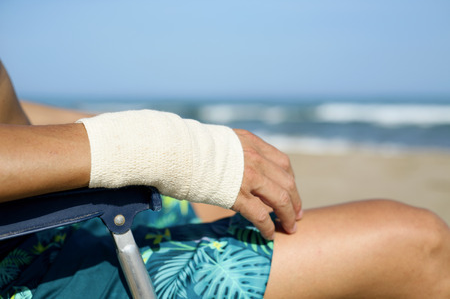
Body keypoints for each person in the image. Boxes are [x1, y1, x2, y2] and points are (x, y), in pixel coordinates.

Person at [1, 59, 450, 298]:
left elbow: (16, 117)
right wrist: (170, 148)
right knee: (416, 243)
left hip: (58, 198)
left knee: (249, 206)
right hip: (27, 265)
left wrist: (185, 134)